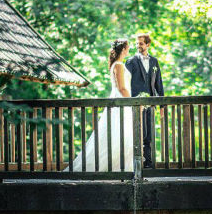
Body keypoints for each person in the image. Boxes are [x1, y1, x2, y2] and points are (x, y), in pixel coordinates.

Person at [69, 39, 134, 171]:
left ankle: (120, 167)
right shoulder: (119, 66)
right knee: (118, 135)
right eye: (127, 48)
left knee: (121, 135)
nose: (128, 50)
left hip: (120, 102)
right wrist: (133, 102)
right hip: (121, 102)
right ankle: (114, 168)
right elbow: (122, 88)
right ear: (123, 49)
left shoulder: (117, 64)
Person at [124, 32, 164, 168]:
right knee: (139, 132)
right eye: (136, 44)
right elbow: (125, 82)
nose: (138, 46)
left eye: (140, 44)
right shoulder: (130, 61)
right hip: (135, 104)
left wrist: (162, 106)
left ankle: (149, 162)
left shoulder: (154, 62)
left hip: (151, 103)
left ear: (148, 44)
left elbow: (159, 84)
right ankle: (136, 162)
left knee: (149, 134)